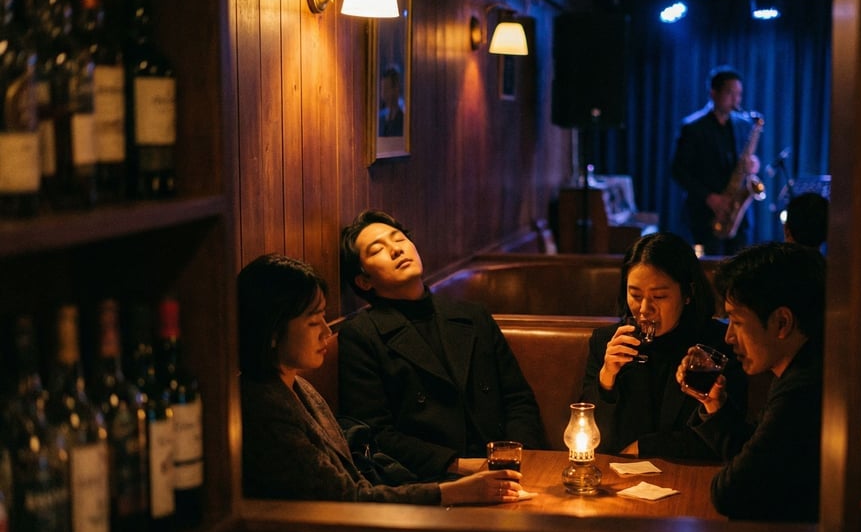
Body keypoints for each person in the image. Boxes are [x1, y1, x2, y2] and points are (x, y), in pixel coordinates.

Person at [238, 253, 521, 505]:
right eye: (313, 321)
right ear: (272, 332)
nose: (326, 331)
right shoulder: (264, 408)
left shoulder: (297, 384)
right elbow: (346, 499)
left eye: (324, 318)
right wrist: (451, 492)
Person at [338, 210, 546, 482]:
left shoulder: (473, 316)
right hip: (430, 480)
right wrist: (458, 466)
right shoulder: (362, 335)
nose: (396, 250)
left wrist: (517, 459)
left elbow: (518, 399)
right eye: (378, 249)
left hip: (507, 467)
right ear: (364, 281)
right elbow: (375, 433)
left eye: (399, 239)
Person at [677, 242, 826, 522]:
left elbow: (732, 491)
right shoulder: (801, 369)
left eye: (737, 321)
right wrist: (715, 404)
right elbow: (753, 458)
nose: (728, 337)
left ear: (782, 322)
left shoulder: (803, 389)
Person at [581, 232, 748, 459]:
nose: (644, 309)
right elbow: (587, 433)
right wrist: (606, 379)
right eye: (635, 295)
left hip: (690, 474)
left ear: (688, 293)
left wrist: (647, 447)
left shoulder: (719, 345)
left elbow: (730, 440)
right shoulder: (608, 343)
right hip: (618, 473)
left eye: (659, 297)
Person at [669, 65, 761, 256]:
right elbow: (678, 171)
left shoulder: (743, 124)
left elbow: (746, 158)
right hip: (705, 214)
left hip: (738, 215)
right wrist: (709, 197)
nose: (736, 99)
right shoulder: (693, 127)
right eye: (730, 93)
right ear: (713, 93)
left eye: (739, 94)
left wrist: (753, 164)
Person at [378, 64, 404, 137]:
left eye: (386, 89)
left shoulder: (403, 121)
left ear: (396, 89)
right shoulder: (380, 119)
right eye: (382, 90)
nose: (383, 95)